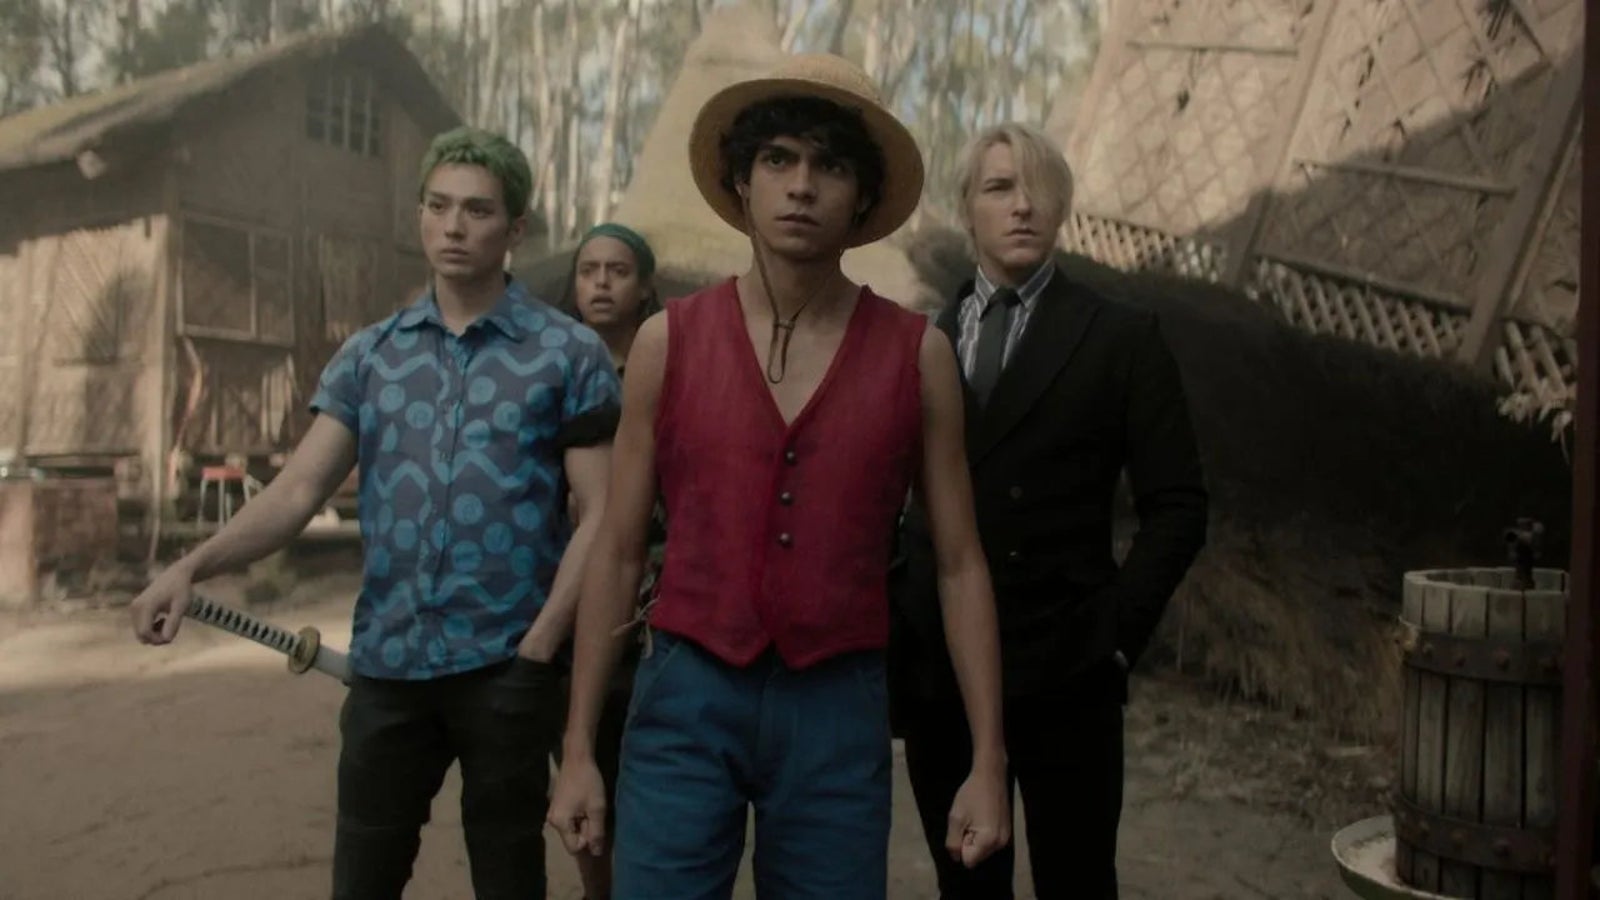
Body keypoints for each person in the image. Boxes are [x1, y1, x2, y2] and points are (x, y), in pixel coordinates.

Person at [547, 53, 1012, 899]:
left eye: (829, 165)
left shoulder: (919, 356)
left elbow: (958, 563)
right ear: (742, 180)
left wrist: (988, 759)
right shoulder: (668, 343)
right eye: (778, 159)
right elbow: (617, 548)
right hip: (686, 694)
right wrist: (579, 747)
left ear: (862, 196)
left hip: (837, 707)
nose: (801, 186)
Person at [128, 126, 621, 900]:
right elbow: (297, 492)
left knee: (508, 877)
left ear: (515, 229)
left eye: (478, 211)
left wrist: (538, 647)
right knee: (362, 880)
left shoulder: (567, 354)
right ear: (418, 215)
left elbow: (604, 514)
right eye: (438, 206)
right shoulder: (371, 357)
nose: (454, 227)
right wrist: (191, 567)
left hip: (506, 669)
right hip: (387, 670)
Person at [890, 122, 1209, 900]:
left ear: (1063, 208)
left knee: (1078, 883)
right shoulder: (919, 343)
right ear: (967, 208)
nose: (1023, 205)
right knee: (966, 885)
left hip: (1069, 670)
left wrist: (1116, 638)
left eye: (1040, 189)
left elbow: (1178, 506)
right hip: (943, 674)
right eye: (1000, 187)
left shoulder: (1121, 337)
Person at [556, 221, 665, 900]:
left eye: (617, 271)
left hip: (652, 595)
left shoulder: (670, 366)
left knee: (648, 782)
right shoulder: (554, 366)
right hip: (568, 595)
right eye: (588, 270)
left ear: (645, 286)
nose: (600, 283)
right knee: (580, 768)